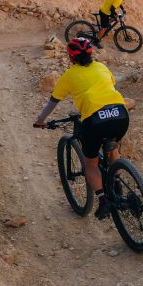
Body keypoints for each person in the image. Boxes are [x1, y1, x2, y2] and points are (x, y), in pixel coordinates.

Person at [33, 37, 128, 219]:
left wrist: (40, 120)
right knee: (112, 147)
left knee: (91, 164)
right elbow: (111, 86)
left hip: (95, 121)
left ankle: (103, 201)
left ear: (71, 57)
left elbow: (53, 102)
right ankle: (117, 183)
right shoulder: (101, 67)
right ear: (91, 54)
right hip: (120, 114)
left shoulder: (69, 75)